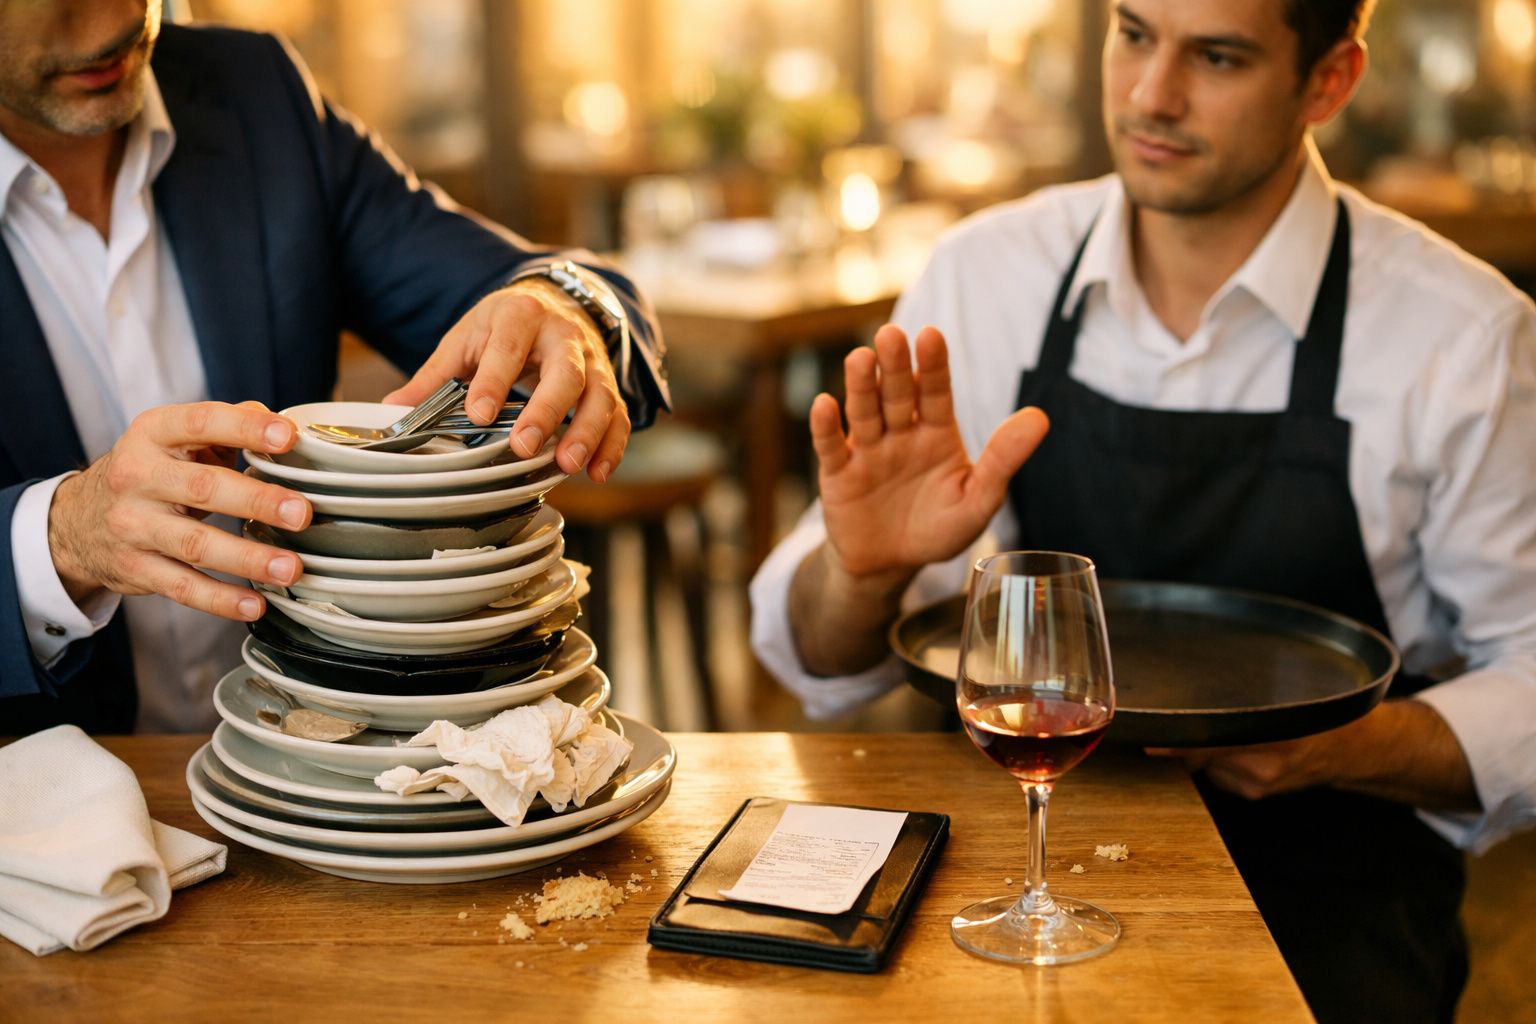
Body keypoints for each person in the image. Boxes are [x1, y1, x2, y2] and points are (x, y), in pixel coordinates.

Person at [750, 1, 1536, 1021]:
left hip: (1323, 903)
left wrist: (1347, 746)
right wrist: (863, 572)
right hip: (993, 884)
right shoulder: (987, 273)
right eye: (1133, 34)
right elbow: (815, 660)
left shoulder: (1464, 336)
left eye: (1217, 56)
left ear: (1330, 81)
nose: (1151, 95)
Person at [0, 0, 669, 736]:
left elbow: (545, 283)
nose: (112, 21)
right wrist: (62, 539)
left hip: (352, 757)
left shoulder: (256, 92)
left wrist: (562, 309)